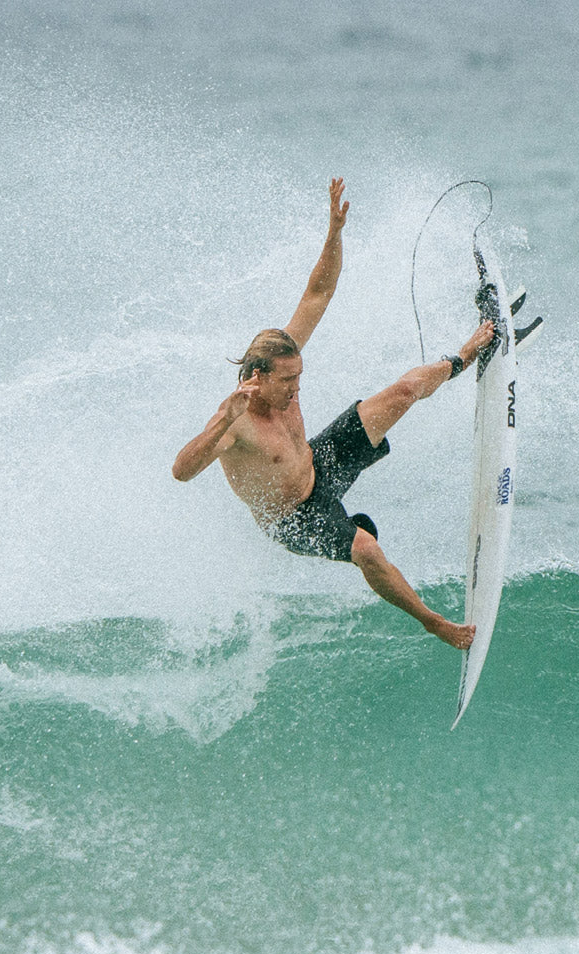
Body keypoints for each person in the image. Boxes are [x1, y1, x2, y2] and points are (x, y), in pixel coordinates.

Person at [172, 178, 494, 649]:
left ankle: (465, 357)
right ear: (257, 377)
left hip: (319, 462)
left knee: (403, 392)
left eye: (299, 377)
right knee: (366, 548)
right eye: (288, 382)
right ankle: (434, 623)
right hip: (294, 516)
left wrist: (334, 231)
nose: (297, 388)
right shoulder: (234, 421)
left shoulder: (282, 358)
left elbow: (319, 292)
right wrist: (222, 420)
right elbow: (181, 471)